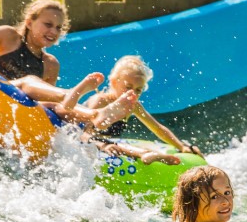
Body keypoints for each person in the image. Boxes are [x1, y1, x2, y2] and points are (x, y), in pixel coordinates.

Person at [0, 0, 138, 132]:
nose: (53, 31)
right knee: (28, 81)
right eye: (48, 24)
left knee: (55, 107)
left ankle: (96, 115)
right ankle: (70, 93)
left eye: (59, 28)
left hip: (16, 105)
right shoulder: (8, 35)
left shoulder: (50, 64)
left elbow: (43, 102)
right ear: (29, 22)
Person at [58, 55, 203, 157]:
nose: (133, 92)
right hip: (77, 139)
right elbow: (83, 134)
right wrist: (103, 145)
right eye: (128, 87)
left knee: (144, 152)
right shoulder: (100, 101)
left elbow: (157, 128)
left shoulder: (133, 106)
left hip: (107, 141)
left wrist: (181, 146)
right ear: (114, 82)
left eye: (138, 90)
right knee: (141, 153)